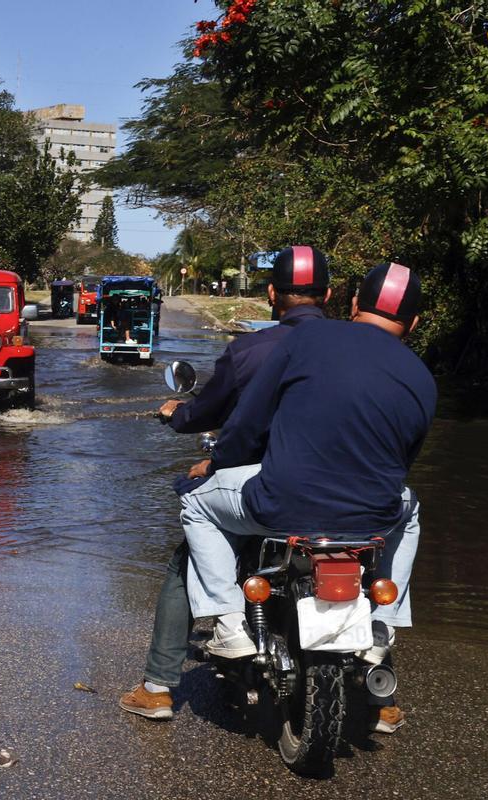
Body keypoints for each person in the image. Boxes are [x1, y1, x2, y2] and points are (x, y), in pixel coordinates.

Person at [178, 262, 435, 734]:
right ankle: (383, 624)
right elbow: (403, 461)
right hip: (372, 517)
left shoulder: (308, 341)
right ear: (414, 324)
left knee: (197, 504)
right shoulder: (422, 377)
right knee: (410, 511)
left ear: (353, 304)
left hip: (279, 504)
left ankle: (230, 623)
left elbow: (250, 420)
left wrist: (216, 467)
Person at [119, 245, 331, 721]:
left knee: (185, 560)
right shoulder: (351, 349)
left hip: (259, 487)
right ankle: (384, 696)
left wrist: (184, 425)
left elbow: (229, 423)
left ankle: (158, 686)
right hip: (341, 491)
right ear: (332, 296)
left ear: (272, 293)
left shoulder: (255, 349)